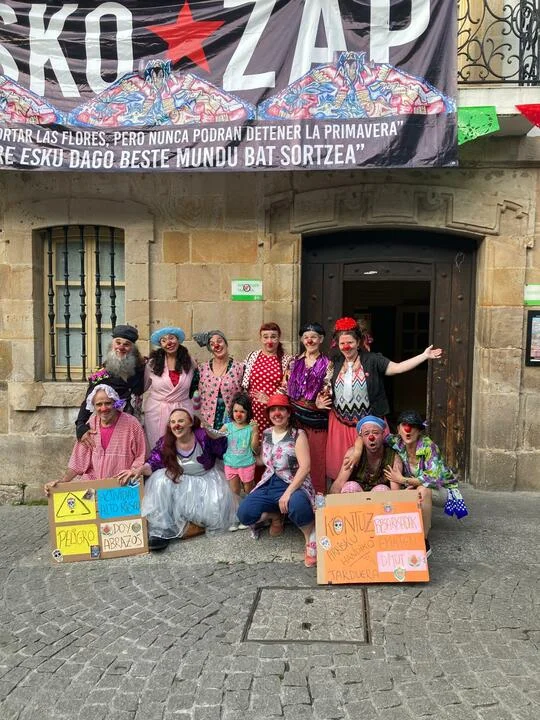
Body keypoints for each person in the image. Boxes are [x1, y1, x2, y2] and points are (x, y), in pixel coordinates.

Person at [317, 317, 443, 481]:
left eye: (350, 342)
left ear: (359, 342)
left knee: (372, 471)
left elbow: (398, 368)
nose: (346, 347)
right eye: (342, 343)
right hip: (341, 426)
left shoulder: (373, 360)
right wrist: (319, 401)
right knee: (342, 471)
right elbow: (325, 387)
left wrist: (424, 356)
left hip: (369, 426)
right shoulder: (335, 362)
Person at [139, 408, 238, 550]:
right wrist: (139, 469)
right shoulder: (166, 441)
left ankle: (193, 525)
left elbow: (223, 449)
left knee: (214, 518)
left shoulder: (203, 436)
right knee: (160, 479)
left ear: (191, 423)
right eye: (172, 422)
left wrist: (211, 433)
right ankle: (161, 532)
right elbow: (154, 462)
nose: (176, 425)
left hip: (206, 483)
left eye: (180, 421)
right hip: (181, 484)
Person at [237, 394, 317, 568]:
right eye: (273, 410)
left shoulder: (298, 434)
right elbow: (263, 461)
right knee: (245, 513)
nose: (277, 413)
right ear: (268, 414)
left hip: (293, 482)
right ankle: (276, 515)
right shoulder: (266, 433)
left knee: (298, 505)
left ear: (288, 413)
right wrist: (240, 456)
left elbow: (305, 467)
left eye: (281, 409)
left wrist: (288, 493)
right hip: (270, 483)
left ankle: (310, 537)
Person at [383, 410, 467, 554]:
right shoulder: (397, 441)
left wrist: (403, 480)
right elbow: (376, 436)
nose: (408, 430)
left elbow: (432, 480)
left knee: (423, 490)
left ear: (419, 430)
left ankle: (423, 540)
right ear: (398, 429)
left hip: (442, 490)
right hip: (415, 486)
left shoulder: (429, 446)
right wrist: (357, 448)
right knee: (415, 485)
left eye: (413, 426)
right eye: (404, 425)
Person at [45, 385, 146, 494]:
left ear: (115, 403)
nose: (103, 408)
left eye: (108, 403)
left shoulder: (132, 424)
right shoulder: (91, 425)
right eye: (99, 404)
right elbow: (78, 461)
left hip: (121, 486)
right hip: (93, 486)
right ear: (93, 406)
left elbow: (141, 456)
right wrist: (63, 481)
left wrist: (133, 471)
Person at [75, 324, 145, 446]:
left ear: (133, 349)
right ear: (112, 345)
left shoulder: (141, 369)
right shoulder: (101, 375)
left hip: (135, 429)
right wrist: (80, 426)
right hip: (110, 429)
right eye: (118, 343)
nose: (121, 347)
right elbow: (88, 402)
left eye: (126, 344)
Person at [285, 322, 332, 494]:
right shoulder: (293, 362)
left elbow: (328, 389)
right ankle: (295, 496)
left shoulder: (328, 364)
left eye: (313, 337)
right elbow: (285, 386)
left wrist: (321, 401)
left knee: (316, 459)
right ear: (301, 340)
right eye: (306, 337)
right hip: (295, 419)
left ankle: (318, 498)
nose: (309, 340)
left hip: (316, 421)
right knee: (294, 460)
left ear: (321, 339)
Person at [143, 327, 196, 449]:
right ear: (160, 344)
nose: (169, 342)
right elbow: (144, 386)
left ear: (178, 340)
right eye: (164, 340)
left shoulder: (189, 362)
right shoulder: (152, 363)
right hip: (157, 411)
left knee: (181, 446)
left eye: (171, 338)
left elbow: (197, 384)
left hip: (183, 409)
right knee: (158, 446)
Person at [329, 415, 400, 494]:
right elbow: (339, 482)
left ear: (383, 434)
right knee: (351, 486)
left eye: (375, 433)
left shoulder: (393, 457)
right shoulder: (352, 454)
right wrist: (330, 500)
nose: (371, 437)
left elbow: (395, 492)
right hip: (356, 496)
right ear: (361, 437)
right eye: (366, 434)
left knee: (382, 489)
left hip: (380, 498)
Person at [220, 391, 259, 530]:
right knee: (234, 491)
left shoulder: (250, 428)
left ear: (248, 413)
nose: (238, 414)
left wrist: (255, 432)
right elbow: (215, 436)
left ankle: (248, 515)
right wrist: (206, 428)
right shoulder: (228, 427)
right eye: (236, 411)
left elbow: (255, 449)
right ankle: (236, 517)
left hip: (246, 464)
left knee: (248, 489)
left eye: (242, 411)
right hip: (231, 464)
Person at [192, 330, 244, 430]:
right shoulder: (201, 369)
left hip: (232, 423)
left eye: (219, 341)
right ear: (210, 349)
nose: (216, 345)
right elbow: (192, 393)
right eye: (212, 344)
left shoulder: (240, 368)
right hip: (206, 423)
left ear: (226, 343)